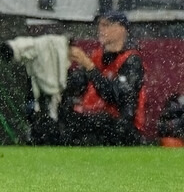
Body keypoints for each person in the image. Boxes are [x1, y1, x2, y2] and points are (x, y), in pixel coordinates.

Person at [62, 11, 147, 146]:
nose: (101, 29)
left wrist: (89, 67)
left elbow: (115, 96)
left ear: (121, 29)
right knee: (61, 116)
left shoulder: (131, 60)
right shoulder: (97, 55)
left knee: (100, 121)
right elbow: (74, 86)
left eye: (106, 25)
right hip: (95, 120)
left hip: (122, 128)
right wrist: (63, 65)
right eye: (100, 25)